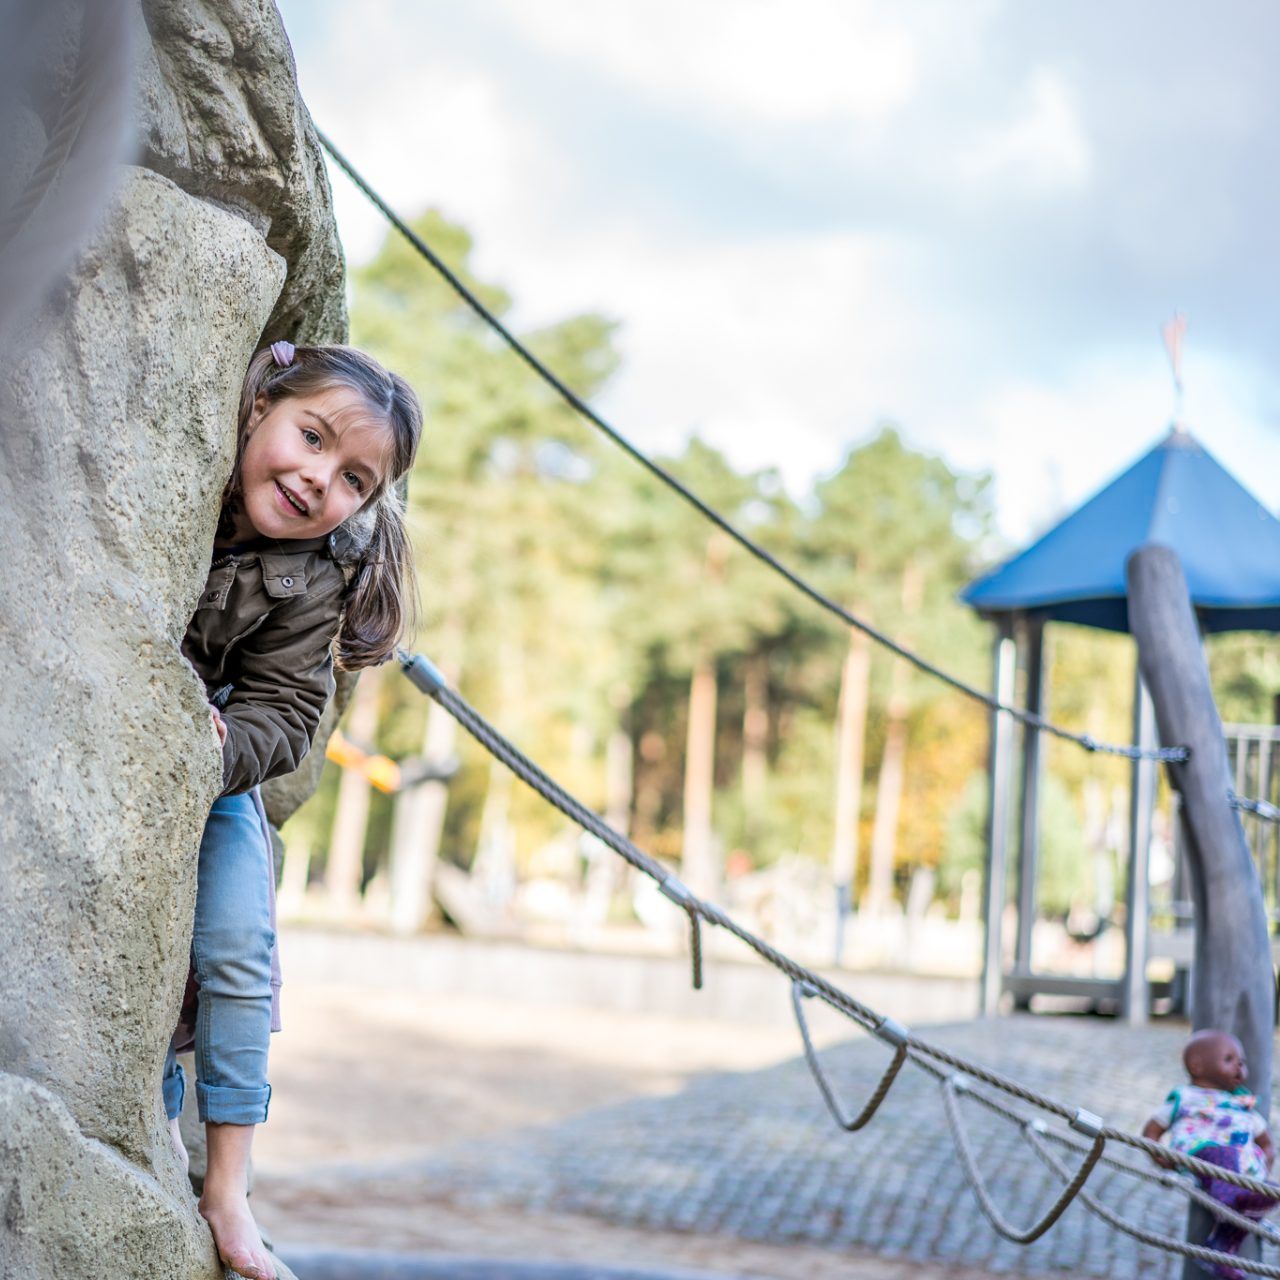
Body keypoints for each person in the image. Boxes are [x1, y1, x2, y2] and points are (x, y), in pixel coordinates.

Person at [162, 340, 422, 1279]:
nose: (318, 481)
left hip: (214, 761)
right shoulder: (174, 471)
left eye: (352, 477)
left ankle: (230, 1186)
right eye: (310, 437)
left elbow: (286, 710)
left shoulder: (312, 577)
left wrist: (214, 751)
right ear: (260, 404)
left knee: (240, 948)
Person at [1143, 1029, 1280, 1279]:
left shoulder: (1242, 1104)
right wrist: (1162, 1158)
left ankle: (1221, 1248)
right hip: (1203, 1156)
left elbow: (1267, 1142)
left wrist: (1264, 1164)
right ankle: (1235, 1199)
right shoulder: (1185, 1098)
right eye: (1229, 1059)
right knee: (1223, 1157)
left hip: (1241, 1171)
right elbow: (1151, 1131)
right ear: (1197, 1066)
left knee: (1269, 1192)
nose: (1239, 1065)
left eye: (1242, 1061)